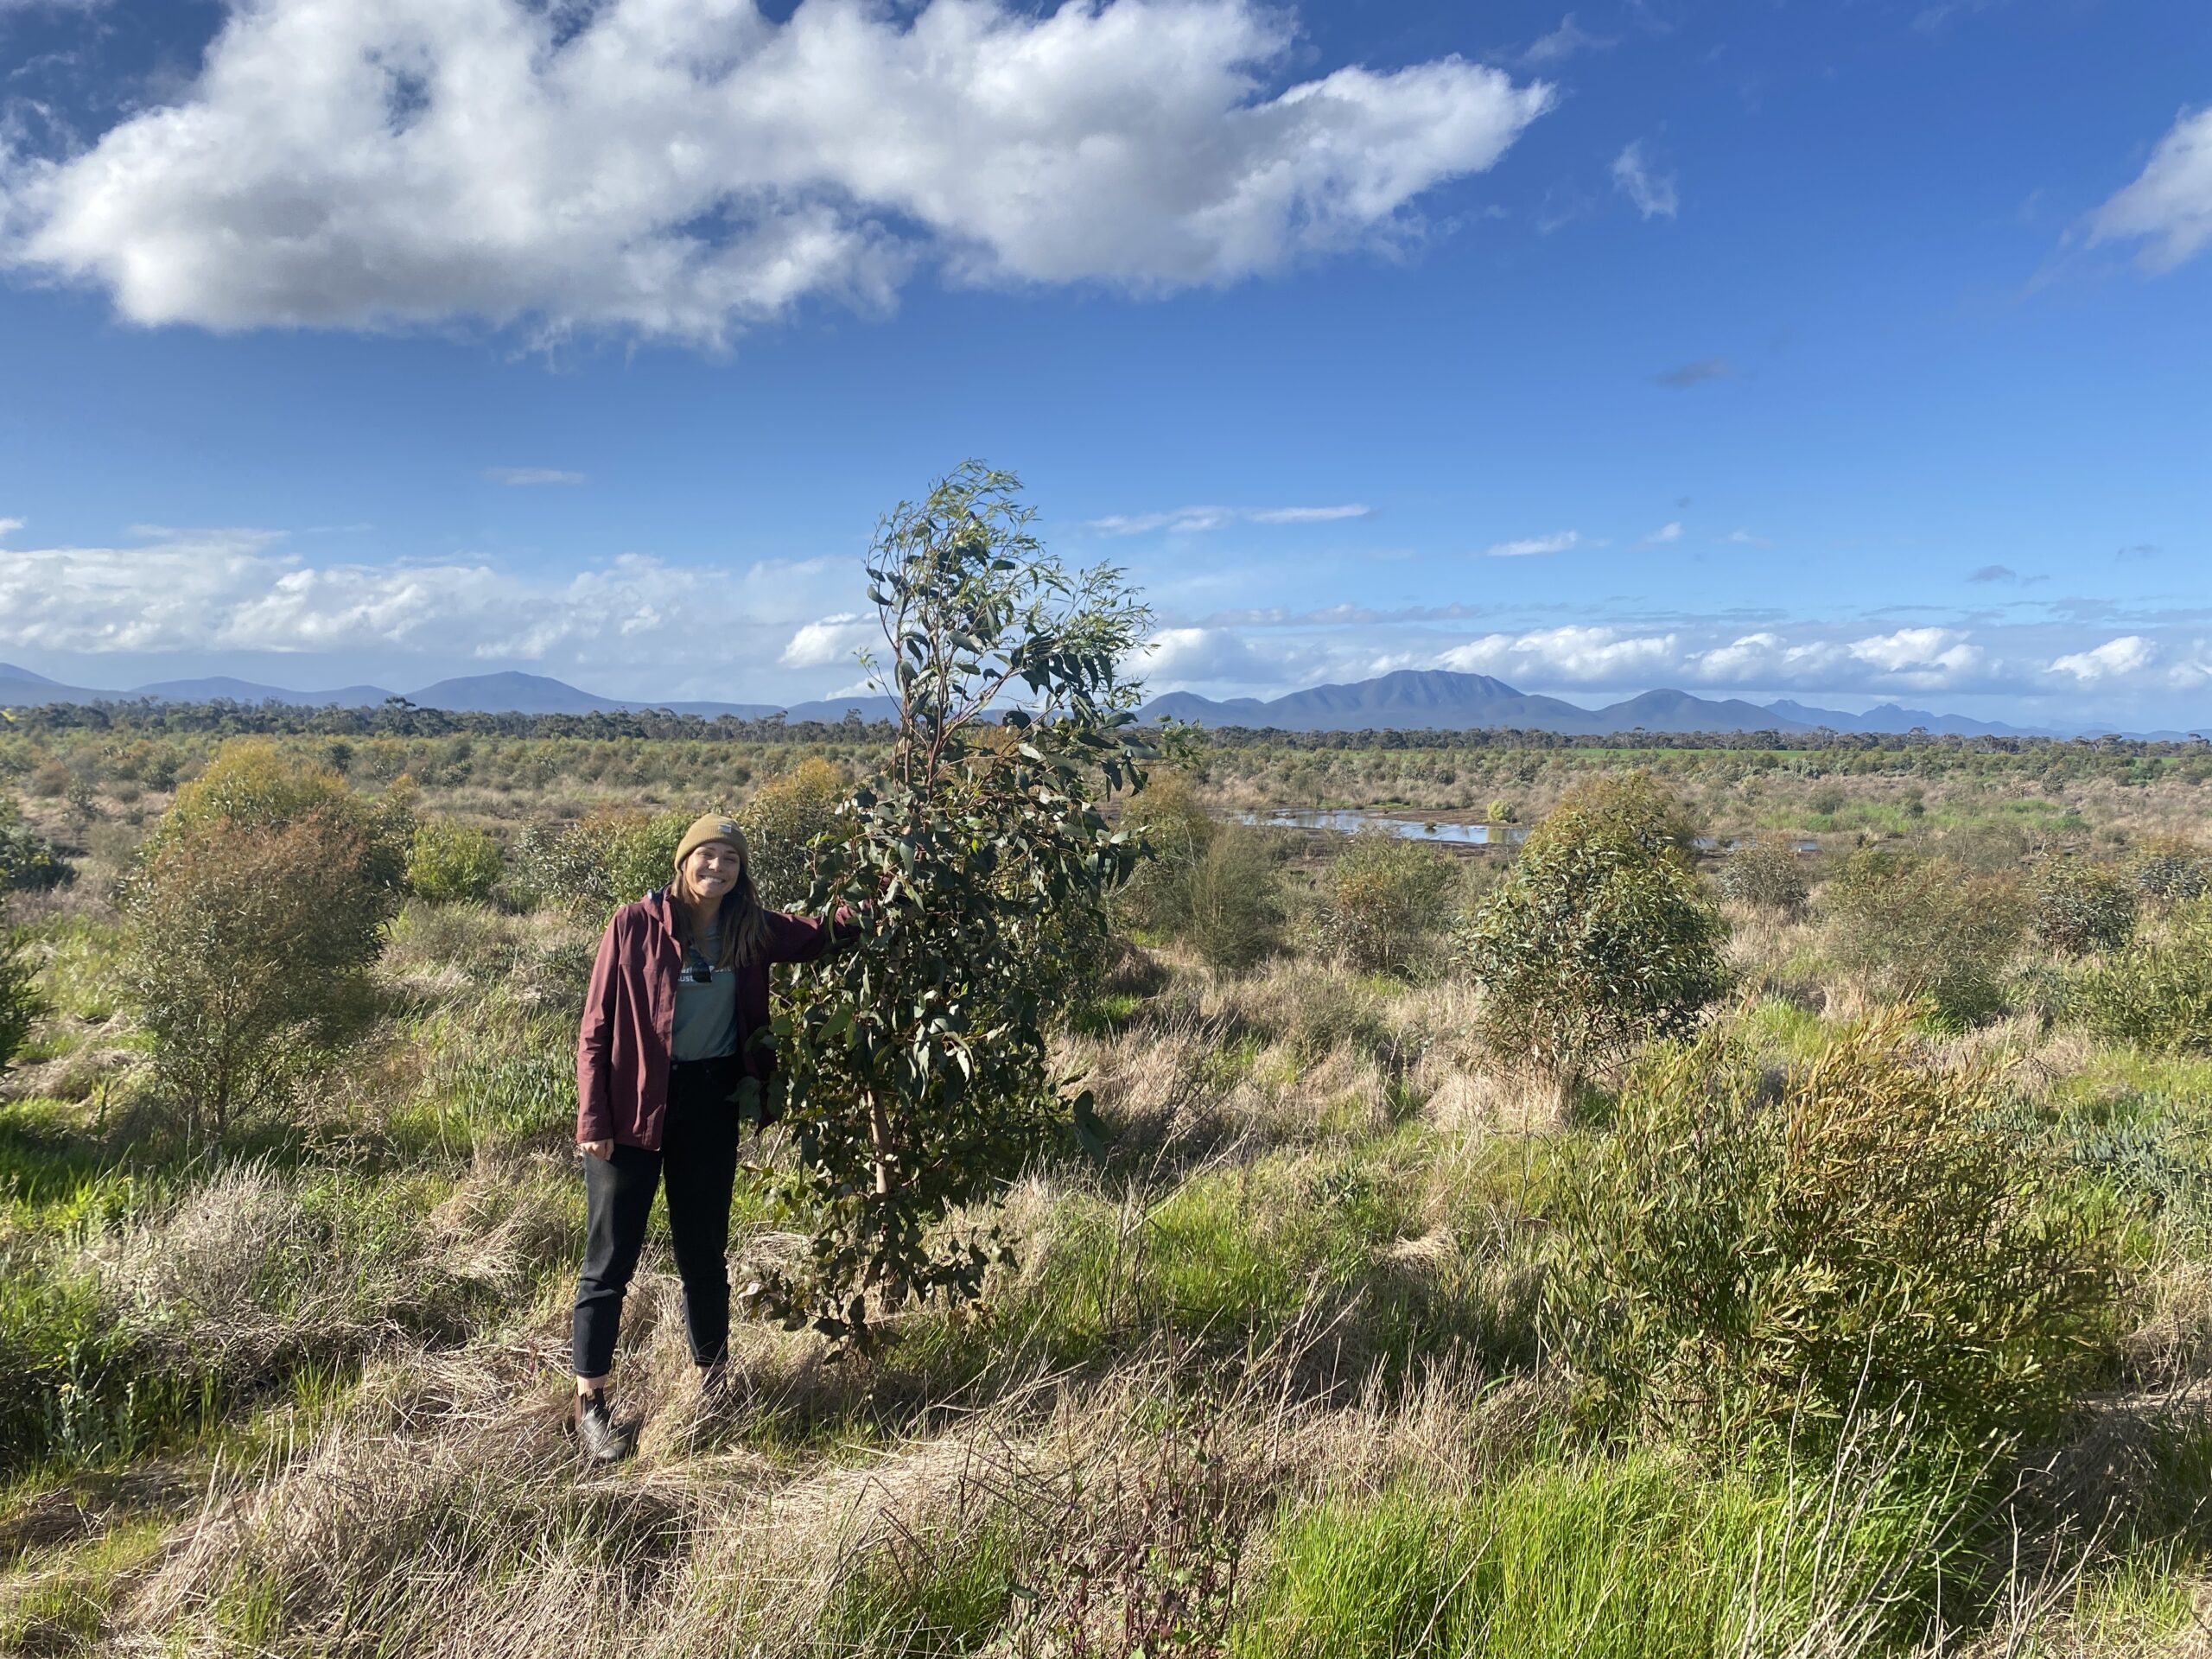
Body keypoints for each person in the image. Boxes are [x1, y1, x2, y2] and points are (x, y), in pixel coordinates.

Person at [569, 811, 854, 1462]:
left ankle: (713, 1383)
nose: (716, 868)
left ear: (740, 869)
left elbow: (821, 936)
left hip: (709, 1103)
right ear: (683, 860)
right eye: (706, 855)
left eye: (729, 859)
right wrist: (594, 1121)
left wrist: (894, 884)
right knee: (610, 1261)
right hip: (634, 1106)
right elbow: (595, 1027)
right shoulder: (633, 925)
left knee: (705, 1255)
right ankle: (592, 1402)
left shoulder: (749, 929)